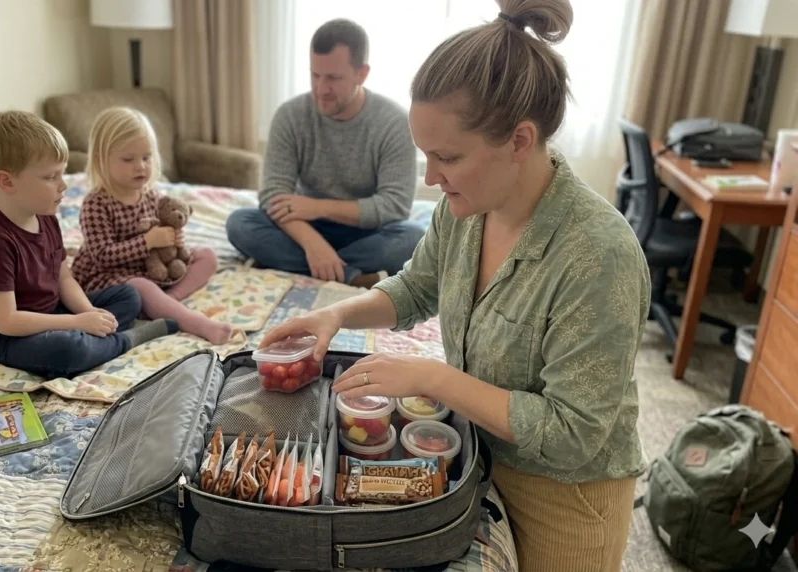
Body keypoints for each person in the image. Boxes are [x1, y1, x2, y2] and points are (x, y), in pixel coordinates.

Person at [259, 1, 649, 570]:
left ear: (519, 140)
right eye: (425, 154)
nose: (429, 178)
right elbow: (418, 288)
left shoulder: (599, 256)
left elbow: (572, 433)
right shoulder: (464, 209)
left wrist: (433, 378)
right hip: (475, 451)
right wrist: (337, 316)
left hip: (564, 495)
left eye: (447, 157)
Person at [0, 111, 177, 380]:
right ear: (6, 181)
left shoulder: (46, 217)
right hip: (1, 337)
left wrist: (88, 313)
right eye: (51, 177)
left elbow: (64, 278)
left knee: (128, 296)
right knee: (68, 350)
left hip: (51, 312)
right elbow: (6, 321)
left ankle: (95, 337)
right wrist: (75, 322)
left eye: (62, 175)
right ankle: (125, 340)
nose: (64, 186)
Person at [225, 18, 424, 289]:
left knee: (412, 237)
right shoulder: (290, 115)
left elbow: (394, 206)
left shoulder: (393, 122)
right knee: (240, 223)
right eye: (315, 75)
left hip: (365, 231)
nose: (320, 89)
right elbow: (273, 196)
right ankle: (351, 275)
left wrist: (317, 207)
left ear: (362, 74)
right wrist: (313, 244)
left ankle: (301, 265)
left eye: (333, 78)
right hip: (304, 227)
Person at [71, 107, 232, 345]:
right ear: (100, 160)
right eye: (128, 159)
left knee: (207, 256)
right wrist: (147, 242)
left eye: (146, 157)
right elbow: (102, 256)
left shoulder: (150, 194)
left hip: (152, 269)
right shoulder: (96, 203)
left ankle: (169, 301)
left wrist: (174, 241)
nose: (141, 166)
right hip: (110, 276)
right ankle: (195, 323)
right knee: (141, 287)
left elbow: (166, 228)